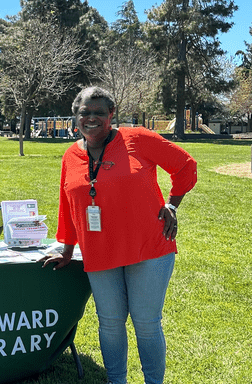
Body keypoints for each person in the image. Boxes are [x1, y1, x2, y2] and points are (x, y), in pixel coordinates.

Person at [41, 86, 197, 384]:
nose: (91, 119)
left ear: (111, 115)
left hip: (148, 247)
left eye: (99, 113)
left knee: (146, 324)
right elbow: (68, 204)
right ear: (76, 116)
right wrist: (67, 247)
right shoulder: (71, 155)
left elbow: (185, 165)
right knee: (110, 324)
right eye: (85, 113)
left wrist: (171, 204)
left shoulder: (137, 138)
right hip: (100, 250)